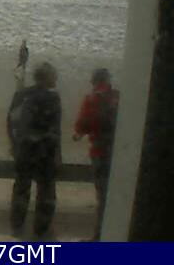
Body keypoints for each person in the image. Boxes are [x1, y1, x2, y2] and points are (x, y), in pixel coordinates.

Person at [7, 62, 62, 239]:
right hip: (45, 152)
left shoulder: (21, 95)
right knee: (46, 192)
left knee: (21, 189)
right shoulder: (53, 99)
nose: (56, 78)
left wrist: (14, 144)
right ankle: (41, 230)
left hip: (24, 150)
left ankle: (17, 225)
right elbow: (55, 130)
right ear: (46, 78)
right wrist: (57, 155)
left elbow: (11, 122)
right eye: (54, 75)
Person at [73, 68, 120, 241]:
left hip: (99, 152)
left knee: (102, 197)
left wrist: (78, 134)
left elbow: (81, 126)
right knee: (116, 195)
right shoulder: (118, 97)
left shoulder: (92, 99)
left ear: (93, 81)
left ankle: (100, 235)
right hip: (118, 153)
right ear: (108, 80)